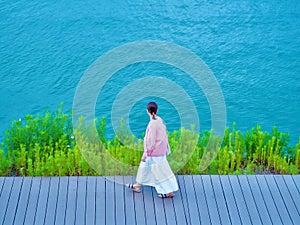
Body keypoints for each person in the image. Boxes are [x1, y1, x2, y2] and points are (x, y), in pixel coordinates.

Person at [126, 102, 179, 198]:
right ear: (156, 110)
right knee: (145, 167)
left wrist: (146, 153)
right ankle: (137, 186)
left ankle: (168, 192)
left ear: (148, 111)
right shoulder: (159, 120)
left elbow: (151, 140)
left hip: (154, 152)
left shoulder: (152, 124)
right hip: (160, 150)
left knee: (159, 171)